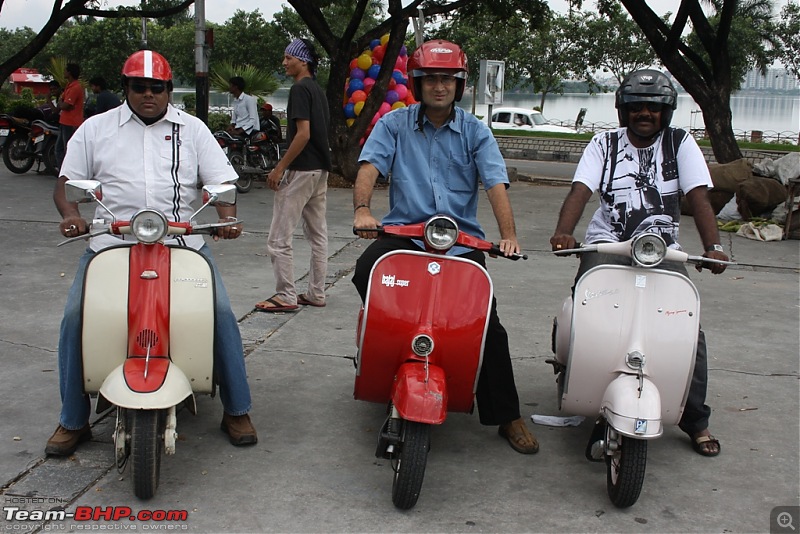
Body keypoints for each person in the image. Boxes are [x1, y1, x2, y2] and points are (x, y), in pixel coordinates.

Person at [46, 50, 257, 457]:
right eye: (139, 87)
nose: (148, 95)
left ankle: (237, 408)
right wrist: (72, 214)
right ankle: (73, 418)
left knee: (220, 313)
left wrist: (227, 217)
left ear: (167, 89)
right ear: (125, 88)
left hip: (182, 243)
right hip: (112, 243)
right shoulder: (95, 129)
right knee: (75, 316)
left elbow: (220, 182)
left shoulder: (192, 130)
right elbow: (67, 183)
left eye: (156, 88)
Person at [351, 39, 539, 455]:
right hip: (405, 237)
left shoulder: (476, 131)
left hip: (459, 244)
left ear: (460, 85)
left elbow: (495, 184)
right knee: (366, 272)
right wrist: (363, 209)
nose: (440, 87)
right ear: (417, 84)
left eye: (448, 79)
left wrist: (508, 235)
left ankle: (508, 415)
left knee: (488, 322)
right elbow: (369, 168)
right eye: (431, 79)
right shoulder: (394, 125)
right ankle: (390, 370)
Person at [549, 68, 729, 457]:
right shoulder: (604, 143)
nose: (644, 113)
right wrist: (565, 231)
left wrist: (712, 246)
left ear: (667, 111)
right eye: (635, 106)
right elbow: (581, 190)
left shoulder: (681, 142)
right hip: (606, 246)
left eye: (653, 107)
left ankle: (695, 419)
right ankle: (588, 394)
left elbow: (698, 197)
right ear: (623, 110)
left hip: (660, 249)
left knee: (687, 327)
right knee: (591, 315)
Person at [256, 38, 330, 312]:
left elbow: (303, 134)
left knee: (278, 238)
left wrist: (279, 167)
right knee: (317, 234)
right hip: (320, 170)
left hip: (301, 170)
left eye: (289, 57)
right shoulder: (317, 91)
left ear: (303, 61)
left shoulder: (300, 89)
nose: (284, 62)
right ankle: (316, 292)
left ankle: (286, 295)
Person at [55, 62, 84, 168]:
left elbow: (66, 105)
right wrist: (63, 104)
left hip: (71, 122)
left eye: (65, 70)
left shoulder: (75, 87)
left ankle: (68, 172)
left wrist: (63, 104)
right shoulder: (68, 86)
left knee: (67, 149)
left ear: (70, 72)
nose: (64, 72)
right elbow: (62, 103)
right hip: (64, 121)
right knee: (59, 149)